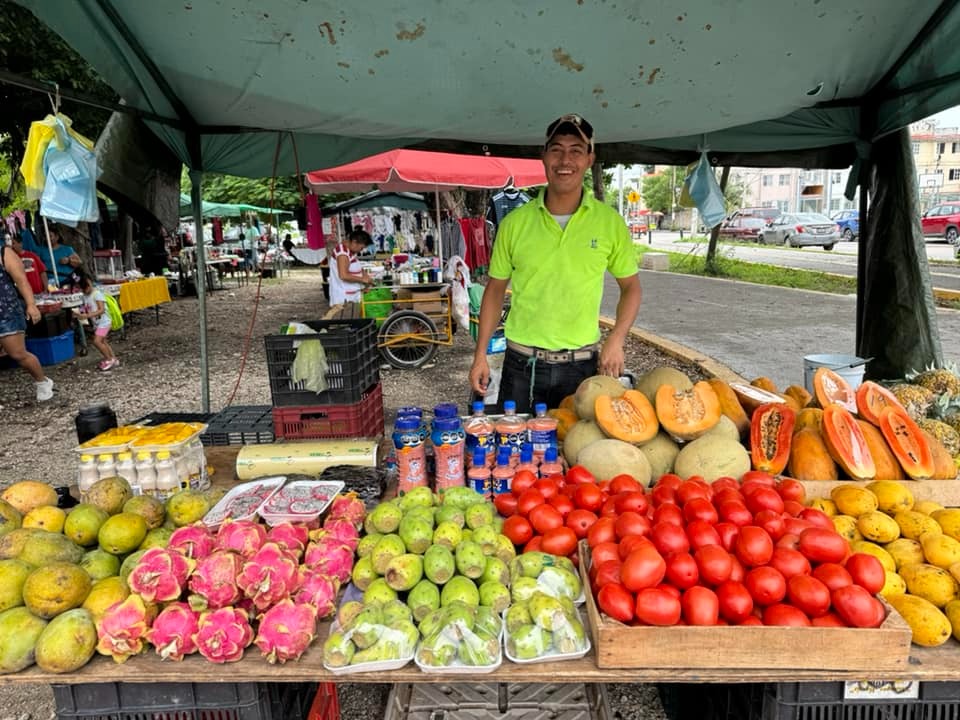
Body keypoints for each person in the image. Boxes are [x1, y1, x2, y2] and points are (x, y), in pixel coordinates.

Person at [469, 113, 642, 413]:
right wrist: (480, 354)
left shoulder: (609, 223)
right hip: (522, 365)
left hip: (581, 367)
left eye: (576, 150)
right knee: (516, 451)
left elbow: (632, 287)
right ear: (543, 156)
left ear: (590, 158)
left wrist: (617, 338)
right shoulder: (514, 223)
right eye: (556, 149)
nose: (565, 159)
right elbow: (495, 290)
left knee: (577, 453)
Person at [0, 241, 54, 401]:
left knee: (18, 354)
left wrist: (31, 304)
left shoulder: (5, 253)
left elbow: (22, 281)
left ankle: (42, 382)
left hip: (6, 312)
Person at [74, 273, 119, 371]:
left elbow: (101, 310)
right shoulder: (85, 296)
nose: (84, 291)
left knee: (97, 341)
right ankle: (113, 358)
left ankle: (109, 359)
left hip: (105, 322)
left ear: (89, 284)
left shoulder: (97, 294)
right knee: (103, 341)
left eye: (84, 289)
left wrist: (87, 315)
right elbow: (85, 307)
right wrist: (79, 313)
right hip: (98, 323)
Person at [329, 229, 374, 306]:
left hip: (352, 294)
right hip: (344, 297)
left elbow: (355, 265)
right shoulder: (342, 254)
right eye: (361, 248)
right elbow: (343, 275)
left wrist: (364, 274)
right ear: (354, 242)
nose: (361, 251)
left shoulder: (350, 250)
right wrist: (362, 279)